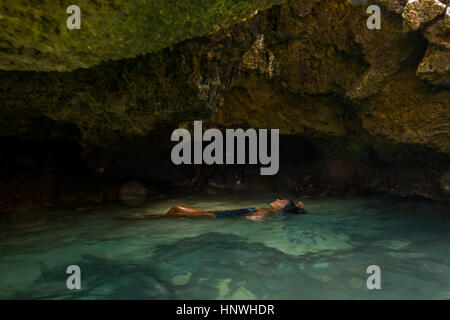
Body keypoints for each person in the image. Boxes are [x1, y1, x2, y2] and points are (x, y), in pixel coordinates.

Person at [128, 199, 305, 221]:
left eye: (281, 201)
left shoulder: (267, 212)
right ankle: (149, 218)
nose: (277, 199)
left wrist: (254, 217)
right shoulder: (267, 209)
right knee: (176, 209)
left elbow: (252, 217)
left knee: (178, 211)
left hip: (219, 216)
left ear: (282, 208)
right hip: (223, 214)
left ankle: (142, 219)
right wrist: (297, 208)